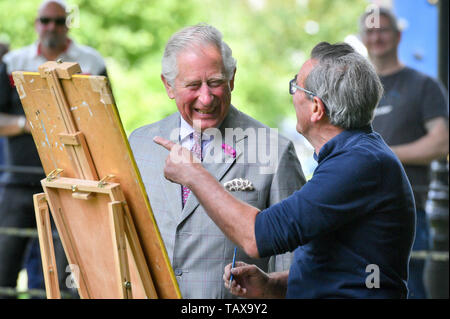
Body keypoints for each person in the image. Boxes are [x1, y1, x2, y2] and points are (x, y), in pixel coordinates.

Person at [154, 41, 416, 298]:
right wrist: (273, 285)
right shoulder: (355, 157)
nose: (293, 95)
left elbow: (257, 236)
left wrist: (194, 174)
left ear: (316, 108)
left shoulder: (358, 164)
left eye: (296, 86)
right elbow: (345, 268)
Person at [128, 23, 305, 298]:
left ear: (232, 79)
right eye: (193, 85)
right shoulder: (138, 145)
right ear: (168, 85)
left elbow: (294, 271)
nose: (206, 97)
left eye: (215, 82)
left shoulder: (275, 151)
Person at [0, 0, 107, 297]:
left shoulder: (91, 61)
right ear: (37, 23)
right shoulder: (13, 62)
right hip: (18, 180)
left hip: (70, 181)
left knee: (66, 278)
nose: (51, 27)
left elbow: (103, 120)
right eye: (46, 20)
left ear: (68, 24)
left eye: (58, 21)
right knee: (4, 270)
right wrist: (30, 124)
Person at [359, 7, 449, 299]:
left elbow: (442, 142)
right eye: (370, 31)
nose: (377, 37)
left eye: (383, 30)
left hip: (409, 212)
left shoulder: (422, 86)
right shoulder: (354, 90)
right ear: (363, 37)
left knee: (410, 291)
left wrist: (385, 155)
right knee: (365, 291)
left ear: (398, 36)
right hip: (357, 213)